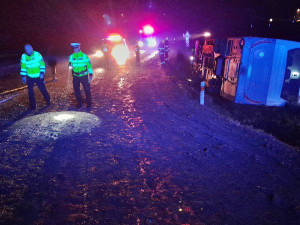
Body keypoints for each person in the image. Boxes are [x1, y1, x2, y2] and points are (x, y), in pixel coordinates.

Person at [20, 44, 50, 109]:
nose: (29, 50)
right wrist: (23, 76)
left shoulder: (37, 54)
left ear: (32, 48)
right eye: (27, 49)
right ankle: (33, 105)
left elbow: (42, 64)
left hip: (38, 76)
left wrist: (42, 73)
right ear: (25, 50)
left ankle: (48, 100)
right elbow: (23, 67)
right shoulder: (23, 56)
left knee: (43, 89)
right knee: (30, 91)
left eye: (30, 48)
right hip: (29, 77)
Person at [68, 43, 93, 108]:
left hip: (84, 76)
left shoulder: (84, 56)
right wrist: (69, 66)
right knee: (76, 90)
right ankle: (80, 102)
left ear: (79, 48)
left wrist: (90, 74)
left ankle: (89, 103)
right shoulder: (71, 56)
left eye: (76, 48)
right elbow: (70, 65)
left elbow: (89, 66)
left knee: (87, 90)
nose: (74, 49)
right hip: (75, 76)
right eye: (73, 48)